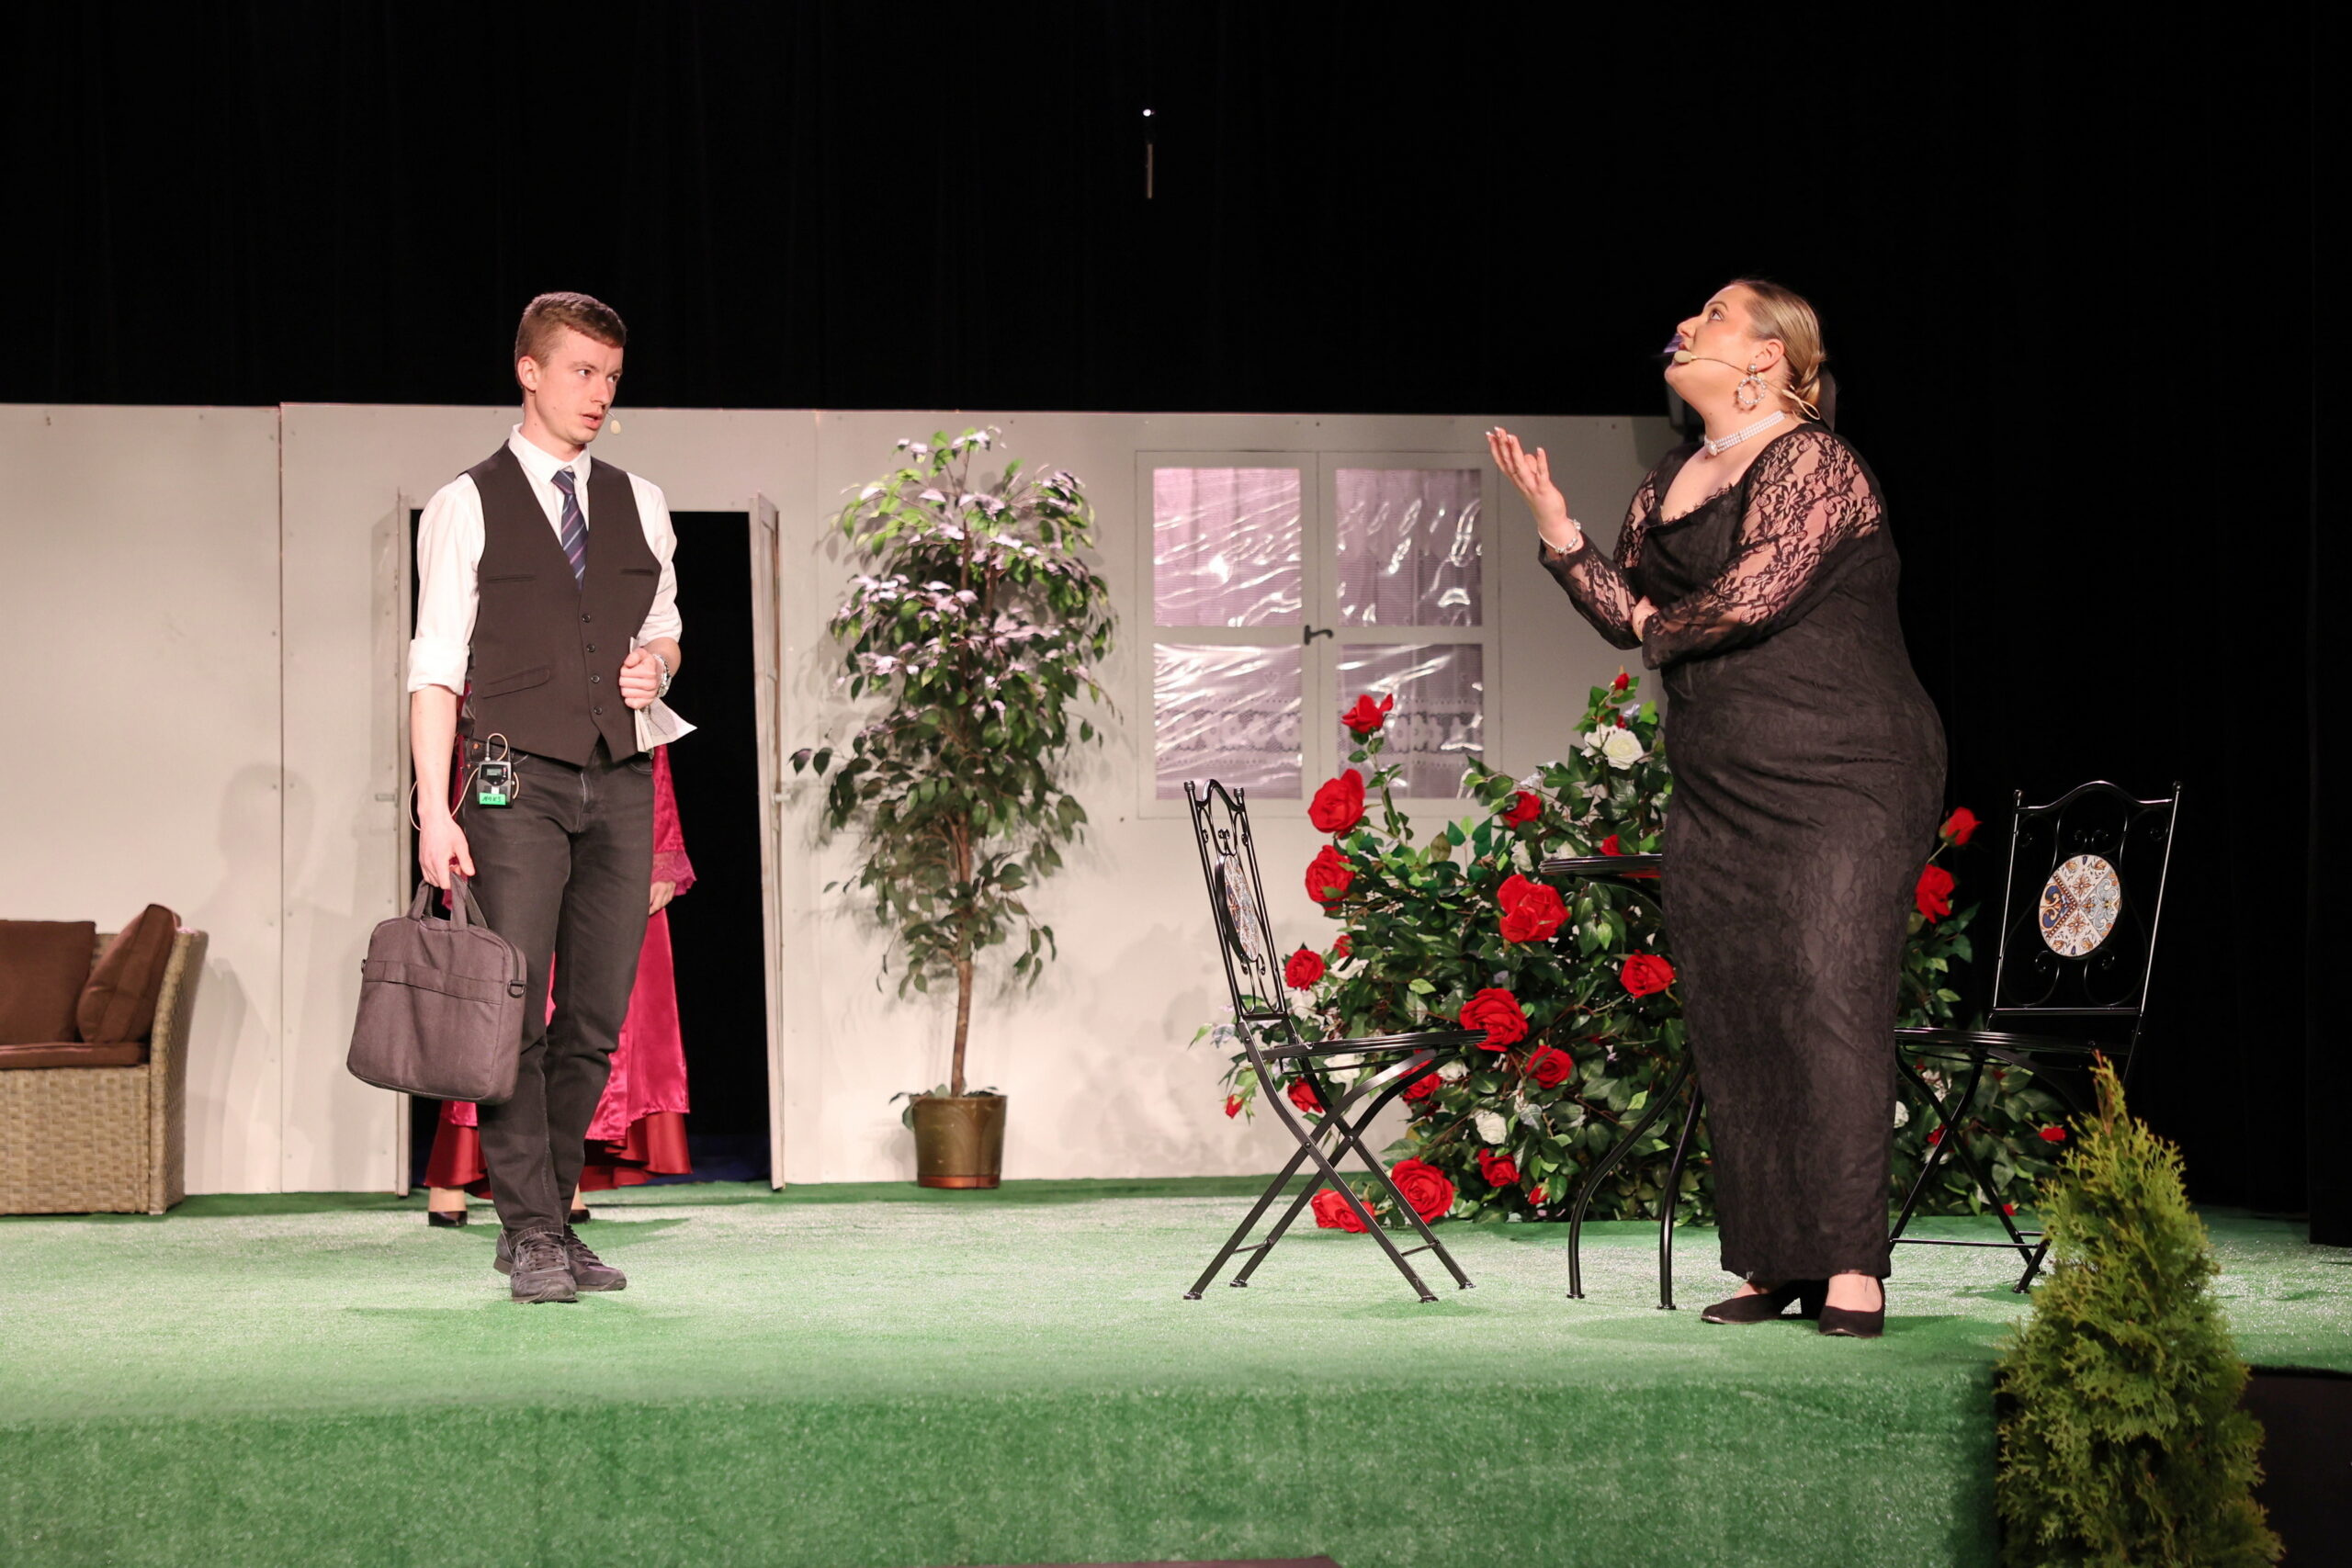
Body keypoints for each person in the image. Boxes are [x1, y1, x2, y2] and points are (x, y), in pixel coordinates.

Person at [1487, 279, 1944, 1338]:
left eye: (1717, 314)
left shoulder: (1815, 462)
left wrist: (1652, 617)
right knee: (1740, 1004)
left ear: (1769, 357)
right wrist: (1557, 529)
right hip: (1720, 778)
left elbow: (1750, 599)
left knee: (1828, 991)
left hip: (1843, 768)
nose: (1687, 325)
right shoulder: (1669, 478)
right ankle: (1773, 1258)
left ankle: (1850, 1265)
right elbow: (1628, 616)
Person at [408, 291, 684, 1304]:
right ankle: (528, 1229)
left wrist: (657, 662)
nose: (599, 394)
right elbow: (435, 666)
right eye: (581, 371)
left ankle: (552, 1219)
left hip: (619, 775)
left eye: (611, 377)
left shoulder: (640, 500)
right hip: (509, 781)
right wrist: (433, 810)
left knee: (596, 1020)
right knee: (513, 1014)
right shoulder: (467, 503)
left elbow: (664, 625)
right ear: (528, 372)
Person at [424, 744, 696, 1224]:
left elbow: (650, 741)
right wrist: (442, 820)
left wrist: (661, 849)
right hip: (515, 798)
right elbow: (471, 737)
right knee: (505, 1011)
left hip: (606, 804)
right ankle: (459, 1172)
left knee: (588, 1018)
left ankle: (557, 1184)